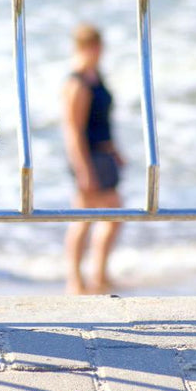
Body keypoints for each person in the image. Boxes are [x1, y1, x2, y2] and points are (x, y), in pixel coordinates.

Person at [61, 24, 125, 295]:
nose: (99, 53)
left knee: (111, 216)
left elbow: (103, 121)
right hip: (88, 157)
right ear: (86, 48)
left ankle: (98, 273)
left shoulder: (95, 76)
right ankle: (76, 279)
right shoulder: (77, 82)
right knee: (84, 218)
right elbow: (72, 130)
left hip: (103, 154)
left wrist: (115, 150)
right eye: (96, 48)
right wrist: (83, 169)